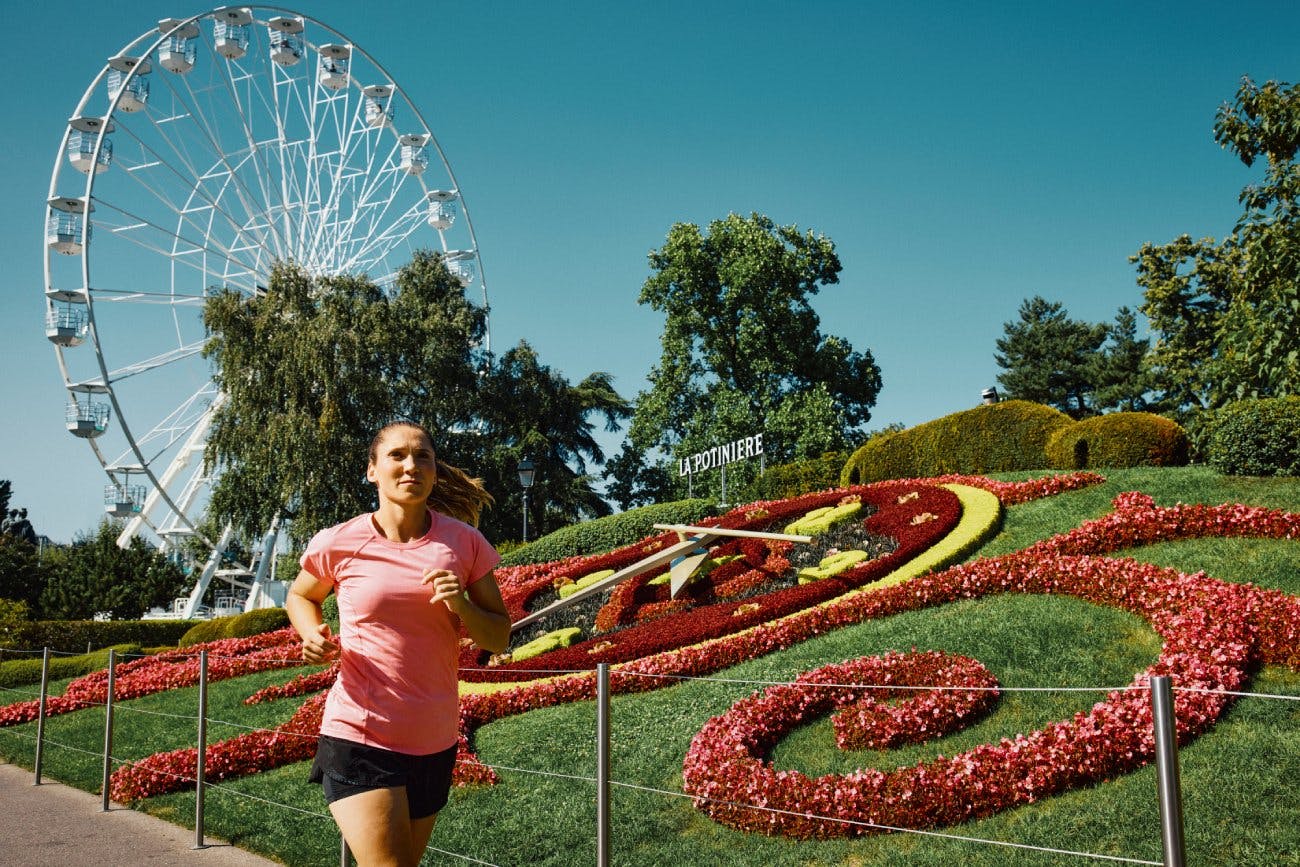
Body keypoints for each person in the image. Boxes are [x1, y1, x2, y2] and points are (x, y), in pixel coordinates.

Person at [286, 421, 511, 867]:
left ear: (434, 469)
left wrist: (461, 605)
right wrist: (310, 633)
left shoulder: (464, 542)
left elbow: (499, 635)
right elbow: (300, 595)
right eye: (396, 455)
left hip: (434, 739)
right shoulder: (340, 541)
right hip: (361, 733)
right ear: (372, 470)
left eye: (422, 456)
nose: (411, 465)